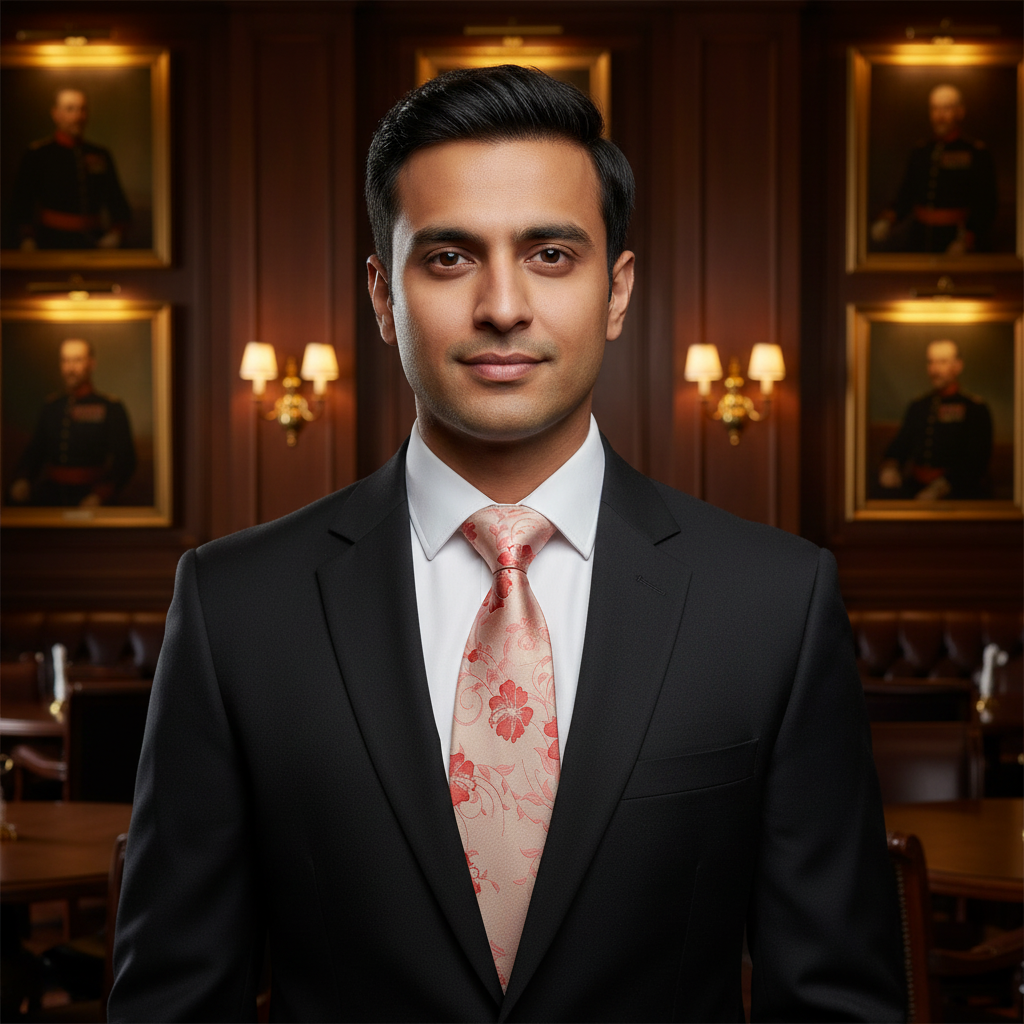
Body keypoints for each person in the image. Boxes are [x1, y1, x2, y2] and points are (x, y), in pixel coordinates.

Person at [109, 66, 904, 1022]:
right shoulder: (236, 605)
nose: (502, 306)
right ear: (381, 295)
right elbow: (171, 1003)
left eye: (551, 255)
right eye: (448, 257)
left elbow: (836, 1004)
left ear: (617, 291)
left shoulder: (774, 601)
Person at [870, 84, 998, 254]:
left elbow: (986, 204)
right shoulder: (921, 151)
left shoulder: (976, 152)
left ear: (960, 112)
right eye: (935, 109)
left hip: (955, 237)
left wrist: (967, 238)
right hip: (919, 236)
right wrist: (889, 220)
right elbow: (906, 194)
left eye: (946, 109)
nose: (940, 116)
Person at [9, 338, 136, 507]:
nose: (70, 368)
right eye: (65, 360)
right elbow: (35, 450)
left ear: (91, 364)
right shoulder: (52, 406)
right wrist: (23, 479)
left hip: (90, 493)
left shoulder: (111, 407)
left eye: (77, 360)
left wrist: (100, 495)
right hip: (52, 495)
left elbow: (126, 460)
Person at [9, 88, 132, 250]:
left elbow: (117, 200)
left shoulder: (101, 154)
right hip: (50, 240)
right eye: (70, 109)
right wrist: (27, 237)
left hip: (94, 240)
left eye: (82, 109)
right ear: (56, 114)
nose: (78, 116)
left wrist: (116, 233)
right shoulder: (38, 154)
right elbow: (22, 201)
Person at [879, 339, 993, 500]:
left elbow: (976, 461)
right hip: (916, 487)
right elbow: (901, 443)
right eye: (931, 362)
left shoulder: (975, 408)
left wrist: (942, 486)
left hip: (958, 492)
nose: (935, 369)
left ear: (958, 366)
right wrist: (890, 466)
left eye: (942, 362)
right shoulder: (919, 405)